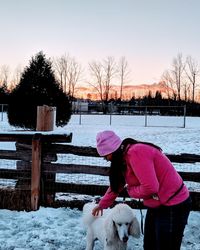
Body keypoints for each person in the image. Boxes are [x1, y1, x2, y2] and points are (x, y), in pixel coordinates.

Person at [92, 130, 191, 250]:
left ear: (113, 150)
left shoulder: (136, 153)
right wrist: (102, 204)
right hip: (157, 203)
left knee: (165, 246)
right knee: (150, 245)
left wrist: (131, 191)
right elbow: (117, 184)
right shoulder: (123, 159)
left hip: (173, 204)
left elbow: (151, 187)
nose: (106, 159)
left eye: (106, 155)